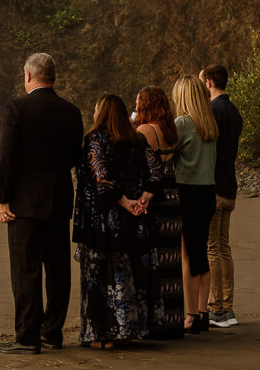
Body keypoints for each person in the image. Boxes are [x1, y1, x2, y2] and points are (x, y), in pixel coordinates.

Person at [0, 53, 83, 355]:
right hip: (58, 201)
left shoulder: (17, 108)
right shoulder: (71, 112)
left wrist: (2, 199)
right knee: (58, 270)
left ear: (29, 76)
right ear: (52, 77)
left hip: (25, 203)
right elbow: (74, 156)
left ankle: (27, 337)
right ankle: (52, 332)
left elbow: (6, 156)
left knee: (26, 269)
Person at [73, 95, 163, 349]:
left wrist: (125, 202)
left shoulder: (95, 140)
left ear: (101, 114)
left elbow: (101, 177)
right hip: (136, 224)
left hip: (103, 223)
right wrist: (142, 200)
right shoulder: (138, 139)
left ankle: (104, 334)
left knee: (102, 277)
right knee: (131, 273)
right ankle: (129, 329)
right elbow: (155, 173)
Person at [134, 85, 184, 338]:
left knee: (155, 260)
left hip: (155, 197)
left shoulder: (145, 130)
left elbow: (136, 157)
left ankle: (157, 323)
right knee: (172, 260)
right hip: (173, 195)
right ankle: (175, 320)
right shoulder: (169, 129)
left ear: (145, 105)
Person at [172, 75, 218, 334]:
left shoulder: (181, 123)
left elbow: (168, 153)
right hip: (207, 191)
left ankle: (189, 315)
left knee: (187, 254)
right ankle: (202, 312)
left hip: (186, 191)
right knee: (201, 251)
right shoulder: (209, 124)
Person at [200, 65, 243, 328]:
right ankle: (227, 306)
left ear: (209, 83)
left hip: (214, 186)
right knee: (224, 248)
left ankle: (217, 308)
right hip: (230, 185)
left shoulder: (214, 111)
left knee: (213, 248)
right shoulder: (234, 111)